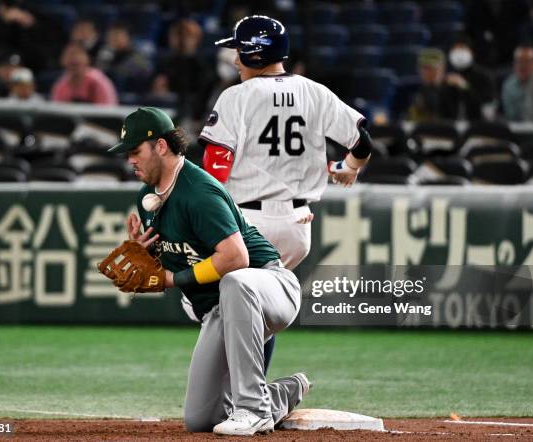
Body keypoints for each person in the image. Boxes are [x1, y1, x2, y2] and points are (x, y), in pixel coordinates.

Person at [108, 107, 309, 436]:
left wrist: (171, 279)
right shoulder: (148, 197)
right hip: (223, 310)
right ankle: (278, 395)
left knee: (234, 281)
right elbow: (182, 258)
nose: (130, 160)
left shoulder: (197, 191)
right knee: (200, 420)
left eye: (135, 151)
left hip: (270, 287)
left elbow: (236, 258)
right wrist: (149, 258)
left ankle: (253, 410)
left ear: (161, 146)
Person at [199, 15, 372, 373]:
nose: (234, 59)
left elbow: (216, 165)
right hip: (297, 225)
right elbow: (362, 142)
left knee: (225, 308)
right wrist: (348, 169)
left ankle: (245, 398)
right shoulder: (315, 91)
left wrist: (201, 215)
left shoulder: (236, 96)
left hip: (247, 224)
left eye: (238, 51)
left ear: (254, 54)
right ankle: (249, 393)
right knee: (256, 310)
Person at [409, 47, 483, 121]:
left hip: (449, 129)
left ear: (442, 68)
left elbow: (476, 106)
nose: (429, 72)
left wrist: (464, 86)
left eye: (433, 68)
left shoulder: (452, 87)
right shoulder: (412, 89)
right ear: (419, 69)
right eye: (425, 68)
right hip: (422, 129)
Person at [51, 42, 118, 106]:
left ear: (87, 58)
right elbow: (56, 113)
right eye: (70, 54)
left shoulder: (99, 82)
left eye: (78, 53)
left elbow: (109, 112)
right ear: (62, 60)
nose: (74, 58)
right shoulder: (61, 85)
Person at [96, 22, 152, 89]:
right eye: (110, 35)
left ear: (128, 38)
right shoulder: (105, 54)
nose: (112, 39)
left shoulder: (138, 59)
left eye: (116, 35)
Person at [501, 44, 533, 122]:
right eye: (519, 61)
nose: (523, 65)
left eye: (527, 61)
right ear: (514, 63)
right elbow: (510, 115)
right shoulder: (508, 85)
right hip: (517, 129)